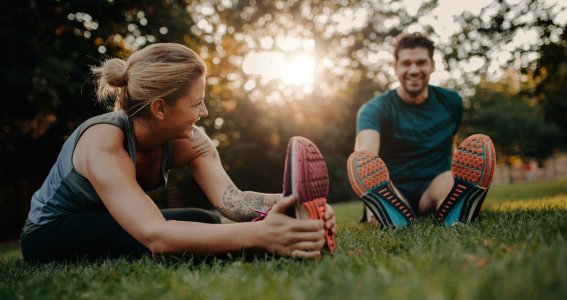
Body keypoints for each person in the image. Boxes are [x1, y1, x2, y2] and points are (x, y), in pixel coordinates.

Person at [20, 43, 336, 262]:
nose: (206, 111)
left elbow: (234, 202)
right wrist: (262, 236)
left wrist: (295, 205)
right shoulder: (104, 141)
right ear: (160, 108)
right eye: (196, 103)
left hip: (111, 221)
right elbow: (155, 234)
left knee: (206, 221)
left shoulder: (191, 141)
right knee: (151, 241)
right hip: (52, 230)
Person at [347, 32, 495, 227]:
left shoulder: (451, 102)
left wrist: (461, 175)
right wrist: (367, 191)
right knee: (384, 190)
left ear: (432, 65)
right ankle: (383, 208)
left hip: (435, 185)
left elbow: (452, 147)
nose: (414, 70)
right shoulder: (374, 109)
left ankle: (459, 205)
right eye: (406, 63)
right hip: (394, 187)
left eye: (421, 62)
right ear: (395, 67)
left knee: (451, 181)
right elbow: (365, 156)